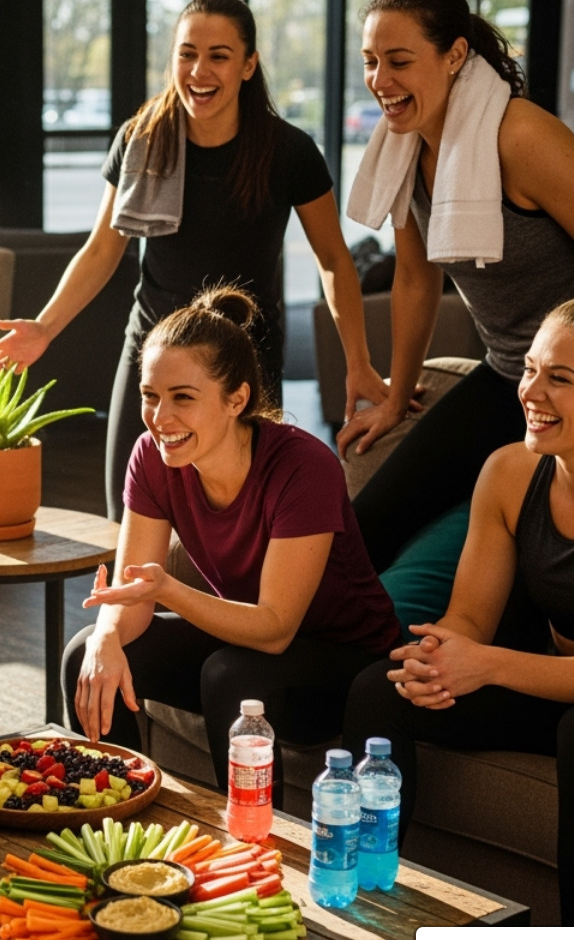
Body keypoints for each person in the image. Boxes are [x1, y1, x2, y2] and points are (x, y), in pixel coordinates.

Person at [340, 296, 574, 940]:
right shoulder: (510, 470)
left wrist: (486, 664)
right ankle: (372, 930)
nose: (530, 391)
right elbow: (468, 623)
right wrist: (438, 662)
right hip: (568, 682)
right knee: (381, 688)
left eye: (559, 378)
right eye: (531, 369)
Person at [0, 0, 375, 521]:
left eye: (219, 56)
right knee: (131, 513)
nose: (199, 72)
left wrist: (359, 363)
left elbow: (333, 261)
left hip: (244, 354)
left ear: (248, 65)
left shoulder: (288, 151)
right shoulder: (140, 139)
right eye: (186, 54)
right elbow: (102, 249)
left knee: (243, 515)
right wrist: (45, 329)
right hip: (154, 348)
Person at [339, 0, 574, 571]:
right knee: (364, 533)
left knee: (523, 558)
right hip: (508, 374)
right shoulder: (405, 144)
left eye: (398, 61)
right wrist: (396, 398)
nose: (380, 82)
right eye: (370, 61)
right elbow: (417, 278)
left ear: (455, 55)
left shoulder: (521, 138)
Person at [63, 286, 399, 789]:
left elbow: (276, 628)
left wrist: (169, 591)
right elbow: (133, 592)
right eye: (150, 397)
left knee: (230, 674)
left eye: (183, 398)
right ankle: (124, 821)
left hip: (344, 665)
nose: (160, 418)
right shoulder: (152, 456)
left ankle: (258, 848)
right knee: (86, 653)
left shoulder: (303, 467)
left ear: (236, 398)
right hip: (245, 640)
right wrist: (108, 636)